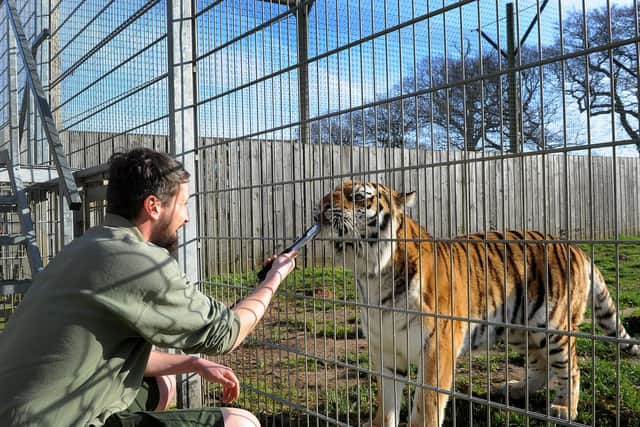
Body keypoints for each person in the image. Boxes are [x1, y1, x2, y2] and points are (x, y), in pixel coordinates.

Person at [0, 148, 298, 426]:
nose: (187, 217)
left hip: (20, 410)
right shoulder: (138, 261)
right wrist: (274, 278)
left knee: (163, 385)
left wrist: (193, 362)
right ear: (153, 206)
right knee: (241, 422)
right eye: (183, 204)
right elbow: (226, 333)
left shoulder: (85, 247)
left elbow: (101, 355)